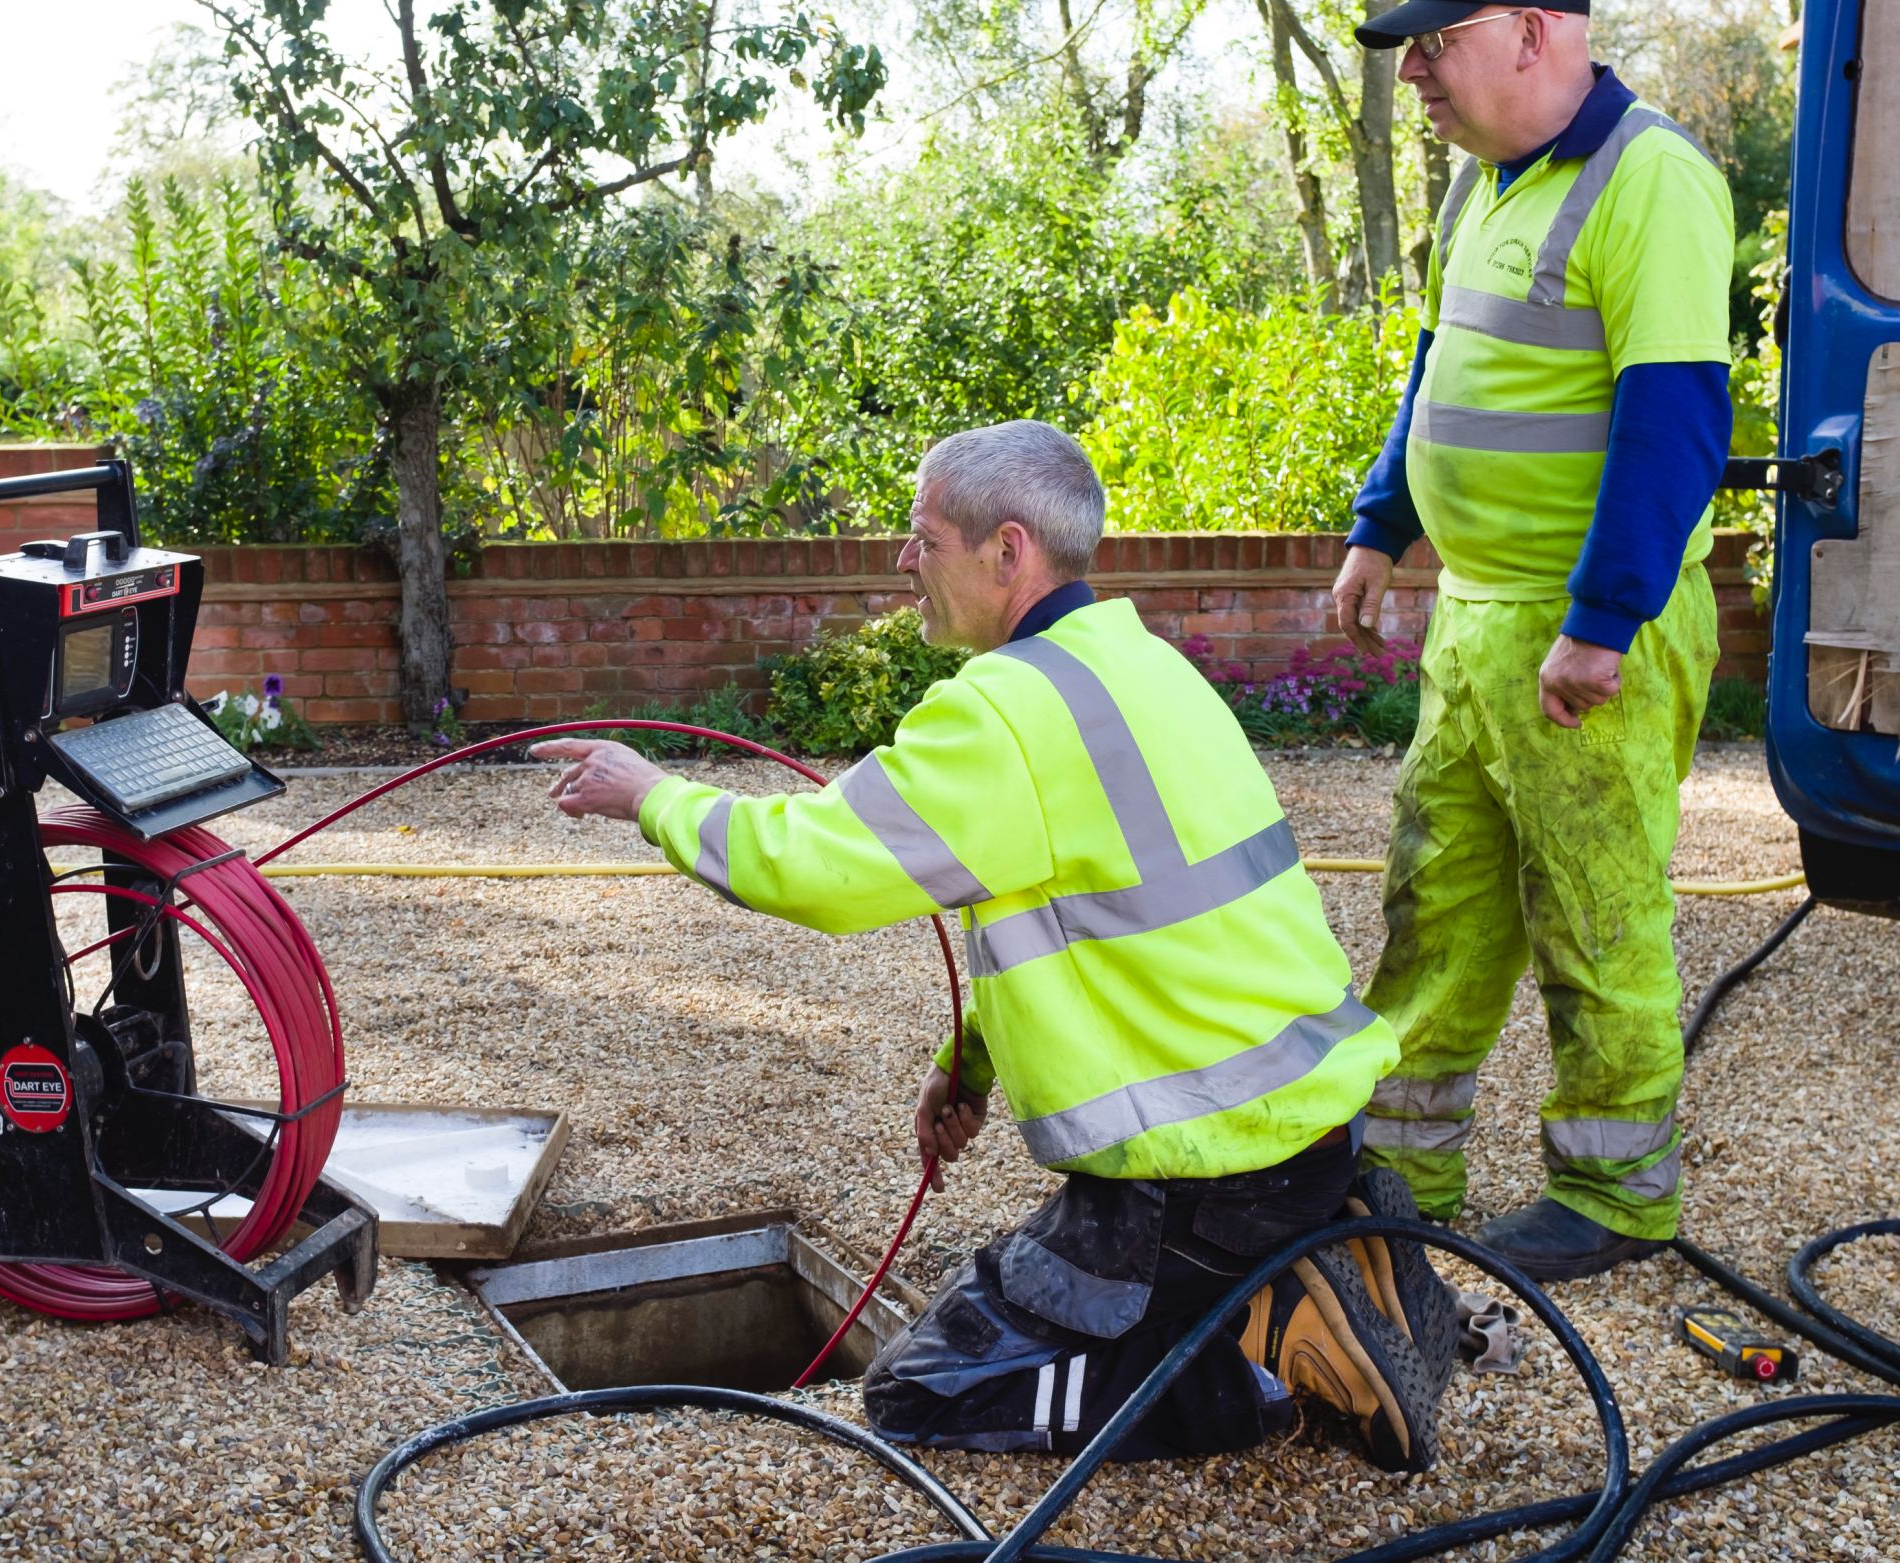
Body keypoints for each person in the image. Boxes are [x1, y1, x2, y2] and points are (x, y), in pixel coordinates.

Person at [535, 421, 1457, 1470]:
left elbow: (813, 866)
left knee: (926, 1392)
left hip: (1204, 1177)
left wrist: (648, 793)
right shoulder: (1138, 665)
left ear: (1005, 551)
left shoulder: (1009, 711)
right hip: (1296, 1130)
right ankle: (1313, 1243)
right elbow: (1111, 926)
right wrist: (967, 1061)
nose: (901, 559)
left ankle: (1266, 1348)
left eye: (921, 536)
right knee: (1003, 1319)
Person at [1334, 0, 1736, 1281]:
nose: (1416, 79)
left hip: (1579, 629)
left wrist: (1607, 618)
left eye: (1434, 46)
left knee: (1594, 908)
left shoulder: (1652, 180)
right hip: (1481, 618)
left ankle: (1614, 1196)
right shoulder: (1482, 188)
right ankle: (1398, 1165)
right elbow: (1442, 371)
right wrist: (1383, 526)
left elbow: (1673, 420)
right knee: (1436, 896)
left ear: (1535, 31)